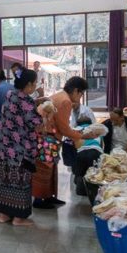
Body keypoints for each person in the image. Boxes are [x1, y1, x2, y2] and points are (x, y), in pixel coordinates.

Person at [34, 76, 98, 209]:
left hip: (47, 135)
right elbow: (64, 128)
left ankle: (48, 197)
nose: (80, 98)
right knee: (45, 168)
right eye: (81, 94)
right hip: (47, 136)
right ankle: (40, 199)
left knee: (50, 168)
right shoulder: (65, 101)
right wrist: (83, 135)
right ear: (75, 91)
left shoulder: (59, 95)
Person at [0, 67, 43, 226]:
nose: (35, 86)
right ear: (28, 85)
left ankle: (3, 215)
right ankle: (19, 218)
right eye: (34, 84)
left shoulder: (10, 94)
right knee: (20, 181)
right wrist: (46, 115)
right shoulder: (25, 101)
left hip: (2, 148)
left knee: (3, 179)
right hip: (19, 151)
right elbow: (37, 124)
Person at [72, 116, 105, 196]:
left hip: (81, 152)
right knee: (94, 174)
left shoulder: (76, 130)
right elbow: (102, 145)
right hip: (95, 152)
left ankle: (80, 191)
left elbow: (74, 146)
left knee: (80, 173)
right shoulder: (96, 130)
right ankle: (92, 191)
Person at [62, 101, 97, 168]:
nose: (73, 104)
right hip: (77, 132)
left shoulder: (87, 110)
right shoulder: (72, 111)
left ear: (78, 102)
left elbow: (94, 123)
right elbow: (72, 125)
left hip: (87, 132)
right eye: (71, 103)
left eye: (74, 103)